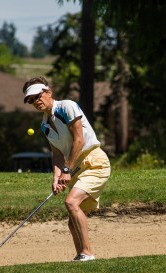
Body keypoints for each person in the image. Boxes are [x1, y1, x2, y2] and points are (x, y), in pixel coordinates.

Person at [22, 76, 111, 262]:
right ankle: (81, 256)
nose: (36, 101)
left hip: (95, 162)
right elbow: (57, 153)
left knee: (71, 202)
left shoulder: (66, 106)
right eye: (31, 100)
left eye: (38, 96)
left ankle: (87, 253)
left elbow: (79, 140)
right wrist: (56, 177)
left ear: (48, 93)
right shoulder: (44, 125)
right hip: (76, 169)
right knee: (73, 218)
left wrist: (66, 171)